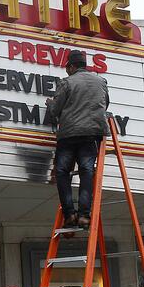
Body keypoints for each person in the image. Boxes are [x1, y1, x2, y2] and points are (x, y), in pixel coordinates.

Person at [45, 49, 109, 229]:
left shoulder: (67, 82)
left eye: (67, 68)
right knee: (86, 171)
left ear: (71, 67)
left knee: (62, 172)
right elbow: (105, 103)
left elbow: (55, 110)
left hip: (69, 134)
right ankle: (84, 215)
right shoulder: (100, 81)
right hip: (92, 134)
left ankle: (69, 214)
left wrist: (50, 104)